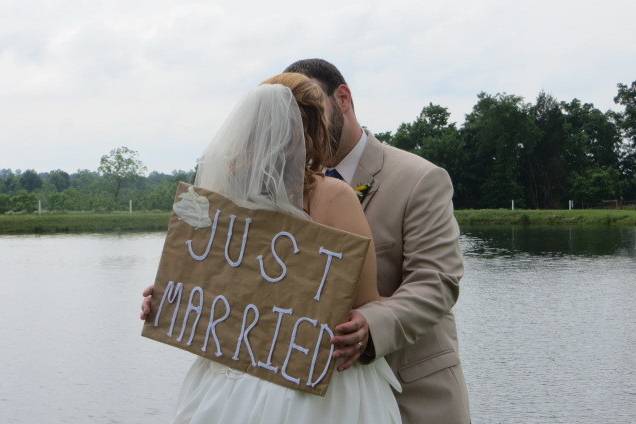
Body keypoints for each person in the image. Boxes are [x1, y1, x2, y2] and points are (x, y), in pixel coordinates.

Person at [140, 72, 402, 423]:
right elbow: (364, 300)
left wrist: (170, 297)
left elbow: (209, 285)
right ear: (311, 131)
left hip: (230, 386)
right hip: (313, 379)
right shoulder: (333, 196)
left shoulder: (222, 202)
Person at [284, 59, 471, 423]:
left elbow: (437, 282)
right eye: (295, 117)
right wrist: (181, 293)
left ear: (343, 98)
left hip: (413, 397)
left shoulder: (421, 179)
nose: (304, 128)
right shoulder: (293, 190)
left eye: (311, 111)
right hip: (325, 406)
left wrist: (372, 325)